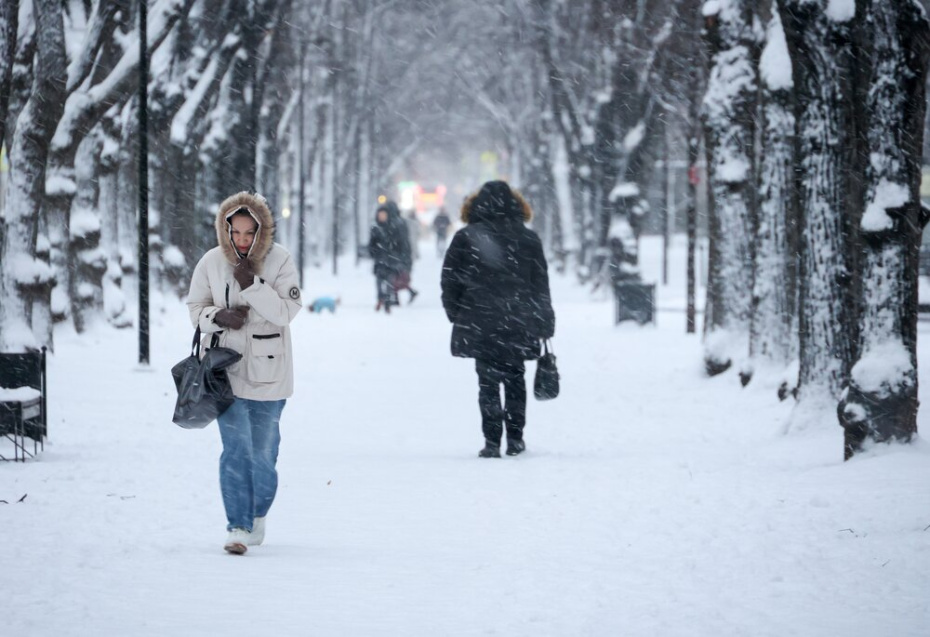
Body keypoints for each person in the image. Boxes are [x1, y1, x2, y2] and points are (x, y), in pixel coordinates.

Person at [187, 192, 302, 554]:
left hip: (270, 372)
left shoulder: (281, 260)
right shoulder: (210, 261)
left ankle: (257, 513)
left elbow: (287, 311)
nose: (241, 240)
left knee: (264, 452)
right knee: (235, 449)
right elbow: (195, 307)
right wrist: (217, 317)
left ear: (261, 230)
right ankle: (237, 526)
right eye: (235, 232)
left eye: (249, 233)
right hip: (225, 371)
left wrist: (252, 285)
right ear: (225, 229)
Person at [441, 181, 555, 458]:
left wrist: (457, 313)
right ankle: (516, 438)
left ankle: (492, 441)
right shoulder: (528, 239)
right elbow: (540, 284)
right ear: (517, 206)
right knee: (516, 378)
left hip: (481, 320)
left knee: (487, 381)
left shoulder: (466, 237)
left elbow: (449, 280)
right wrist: (543, 320)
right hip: (519, 320)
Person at [368, 201, 416, 311]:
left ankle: (387, 299)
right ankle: (386, 299)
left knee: (389, 280)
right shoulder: (386, 226)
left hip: (389, 259)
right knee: (387, 280)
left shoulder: (394, 225)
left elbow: (401, 243)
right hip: (387, 259)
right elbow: (404, 243)